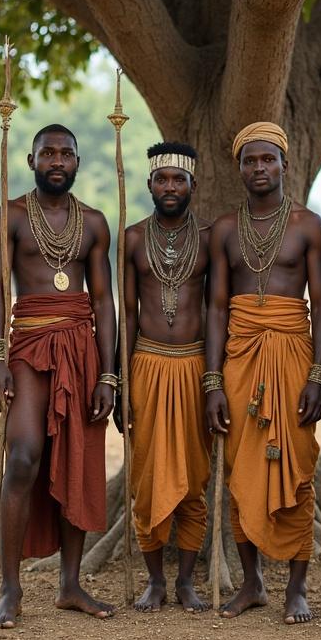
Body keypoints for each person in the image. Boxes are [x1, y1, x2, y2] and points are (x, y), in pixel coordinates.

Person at [0, 125, 116, 629]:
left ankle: (70, 584)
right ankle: (10, 589)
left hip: (82, 348)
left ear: (79, 162)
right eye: (47, 153)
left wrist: (109, 374)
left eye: (66, 153)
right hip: (28, 347)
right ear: (30, 160)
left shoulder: (96, 223)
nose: (56, 160)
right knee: (23, 456)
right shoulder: (11, 215)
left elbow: (104, 302)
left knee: (76, 461)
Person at [205, 122, 321, 624]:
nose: (259, 168)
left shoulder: (308, 225)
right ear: (239, 168)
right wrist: (213, 382)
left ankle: (296, 588)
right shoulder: (225, 229)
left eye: (267, 160)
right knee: (240, 469)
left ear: (284, 164)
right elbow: (216, 309)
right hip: (239, 361)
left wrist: (319, 375)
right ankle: (253, 582)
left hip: (294, 356)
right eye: (249, 161)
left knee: (297, 467)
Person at [114, 143, 211, 612]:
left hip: (194, 367)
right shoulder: (132, 238)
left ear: (193, 185)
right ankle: (155, 580)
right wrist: (120, 381)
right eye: (162, 180)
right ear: (149, 184)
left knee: (194, 476)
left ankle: (187, 581)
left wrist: (214, 381)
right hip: (146, 365)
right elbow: (126, 315)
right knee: (147, 477)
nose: (170, 187)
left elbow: (216, 312)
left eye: (179, 180)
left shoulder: (210, 239)